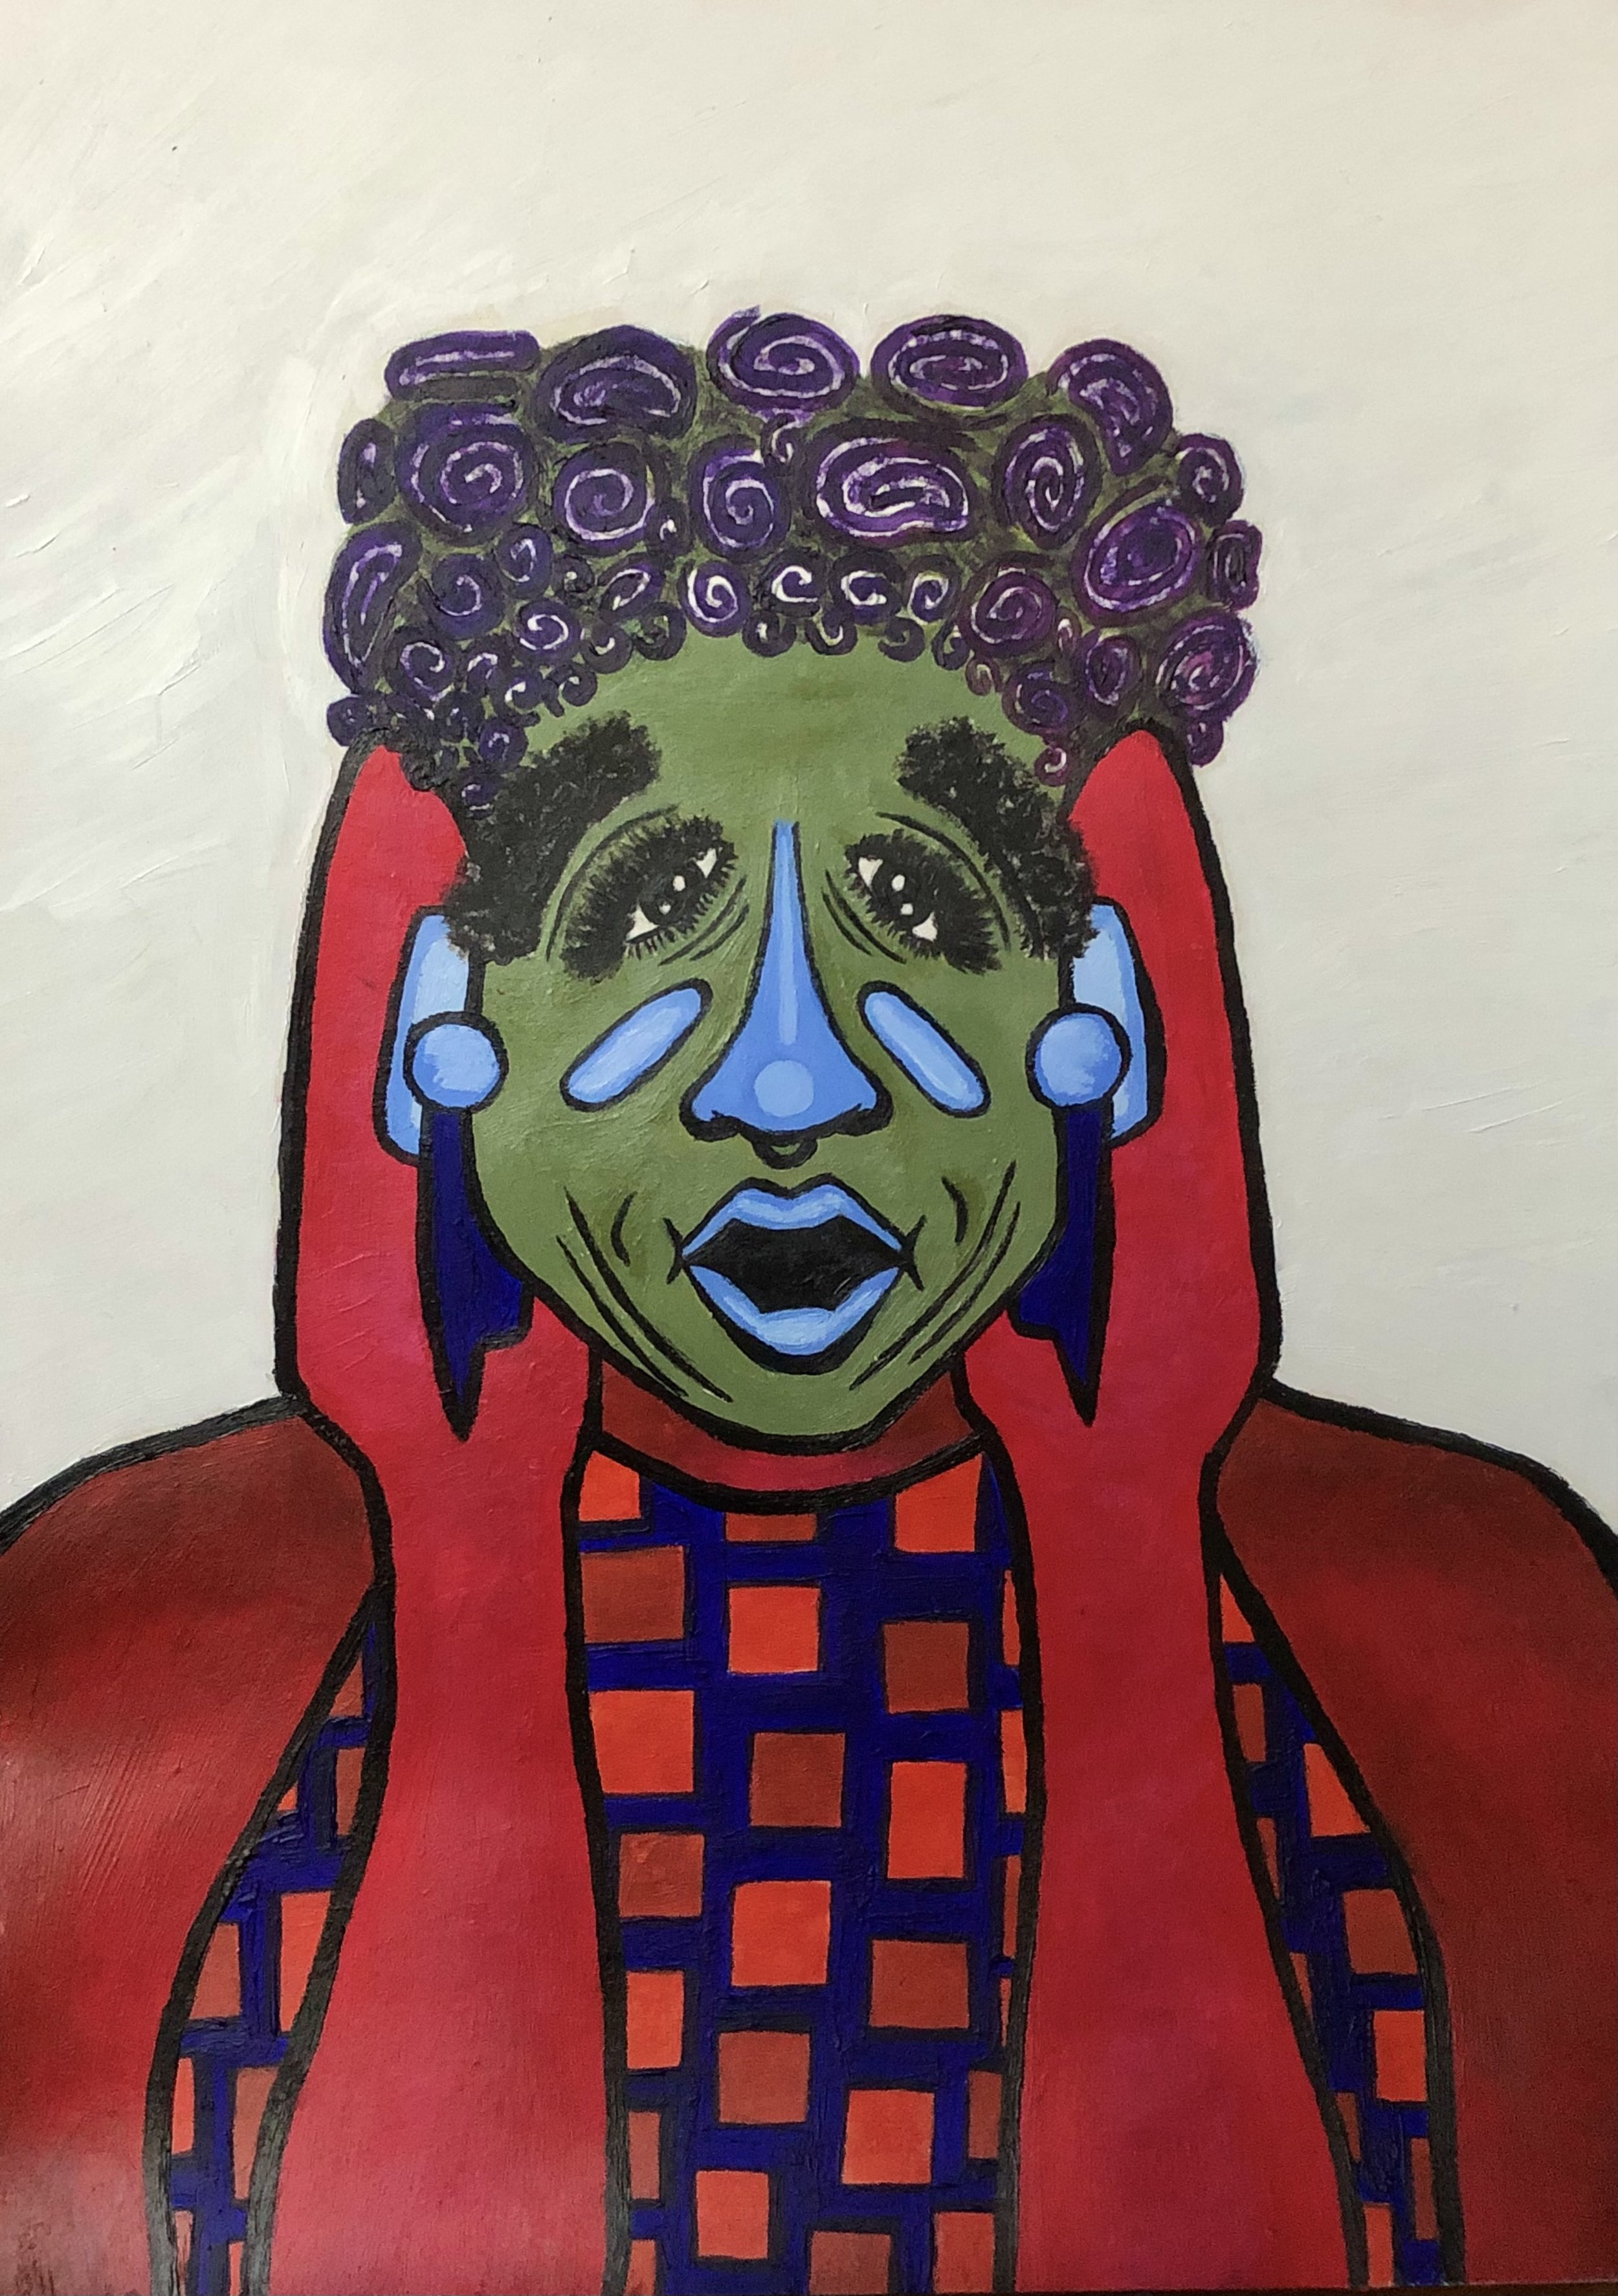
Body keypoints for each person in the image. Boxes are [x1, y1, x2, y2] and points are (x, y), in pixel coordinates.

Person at [1, 315, 1611, 2296]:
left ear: (1102, 1003)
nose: (789, 1079)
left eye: (918, 910)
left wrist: (1120, 1561)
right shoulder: (108, 1664)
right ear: (437, 1019)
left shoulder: (1473, 1630)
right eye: (640, 910)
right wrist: (460, 1557)